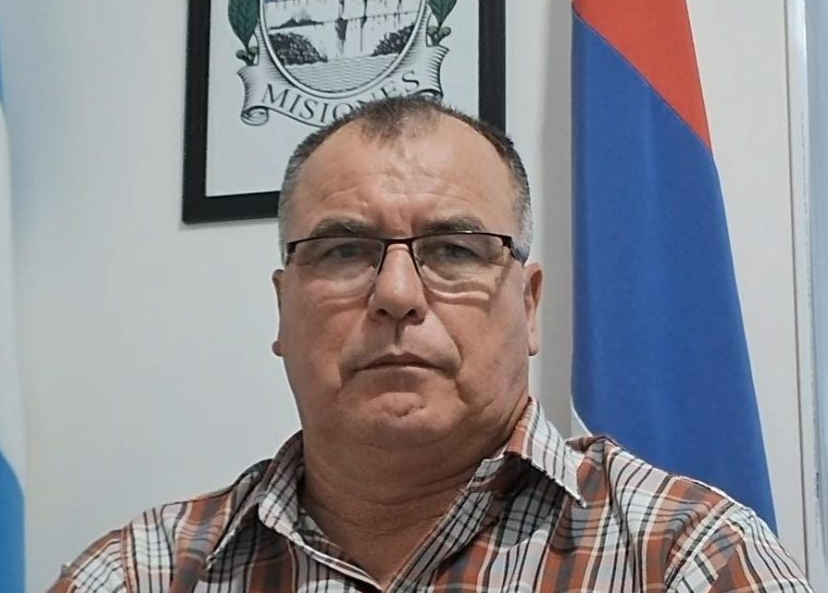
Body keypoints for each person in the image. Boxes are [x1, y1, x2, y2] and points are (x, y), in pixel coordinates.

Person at [50, 96, 812, 592]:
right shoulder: (140, 574)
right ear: (283, 311)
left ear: (529, 305)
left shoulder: (687, 558)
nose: (397, 294)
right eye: (344, 251)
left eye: (453, 250)